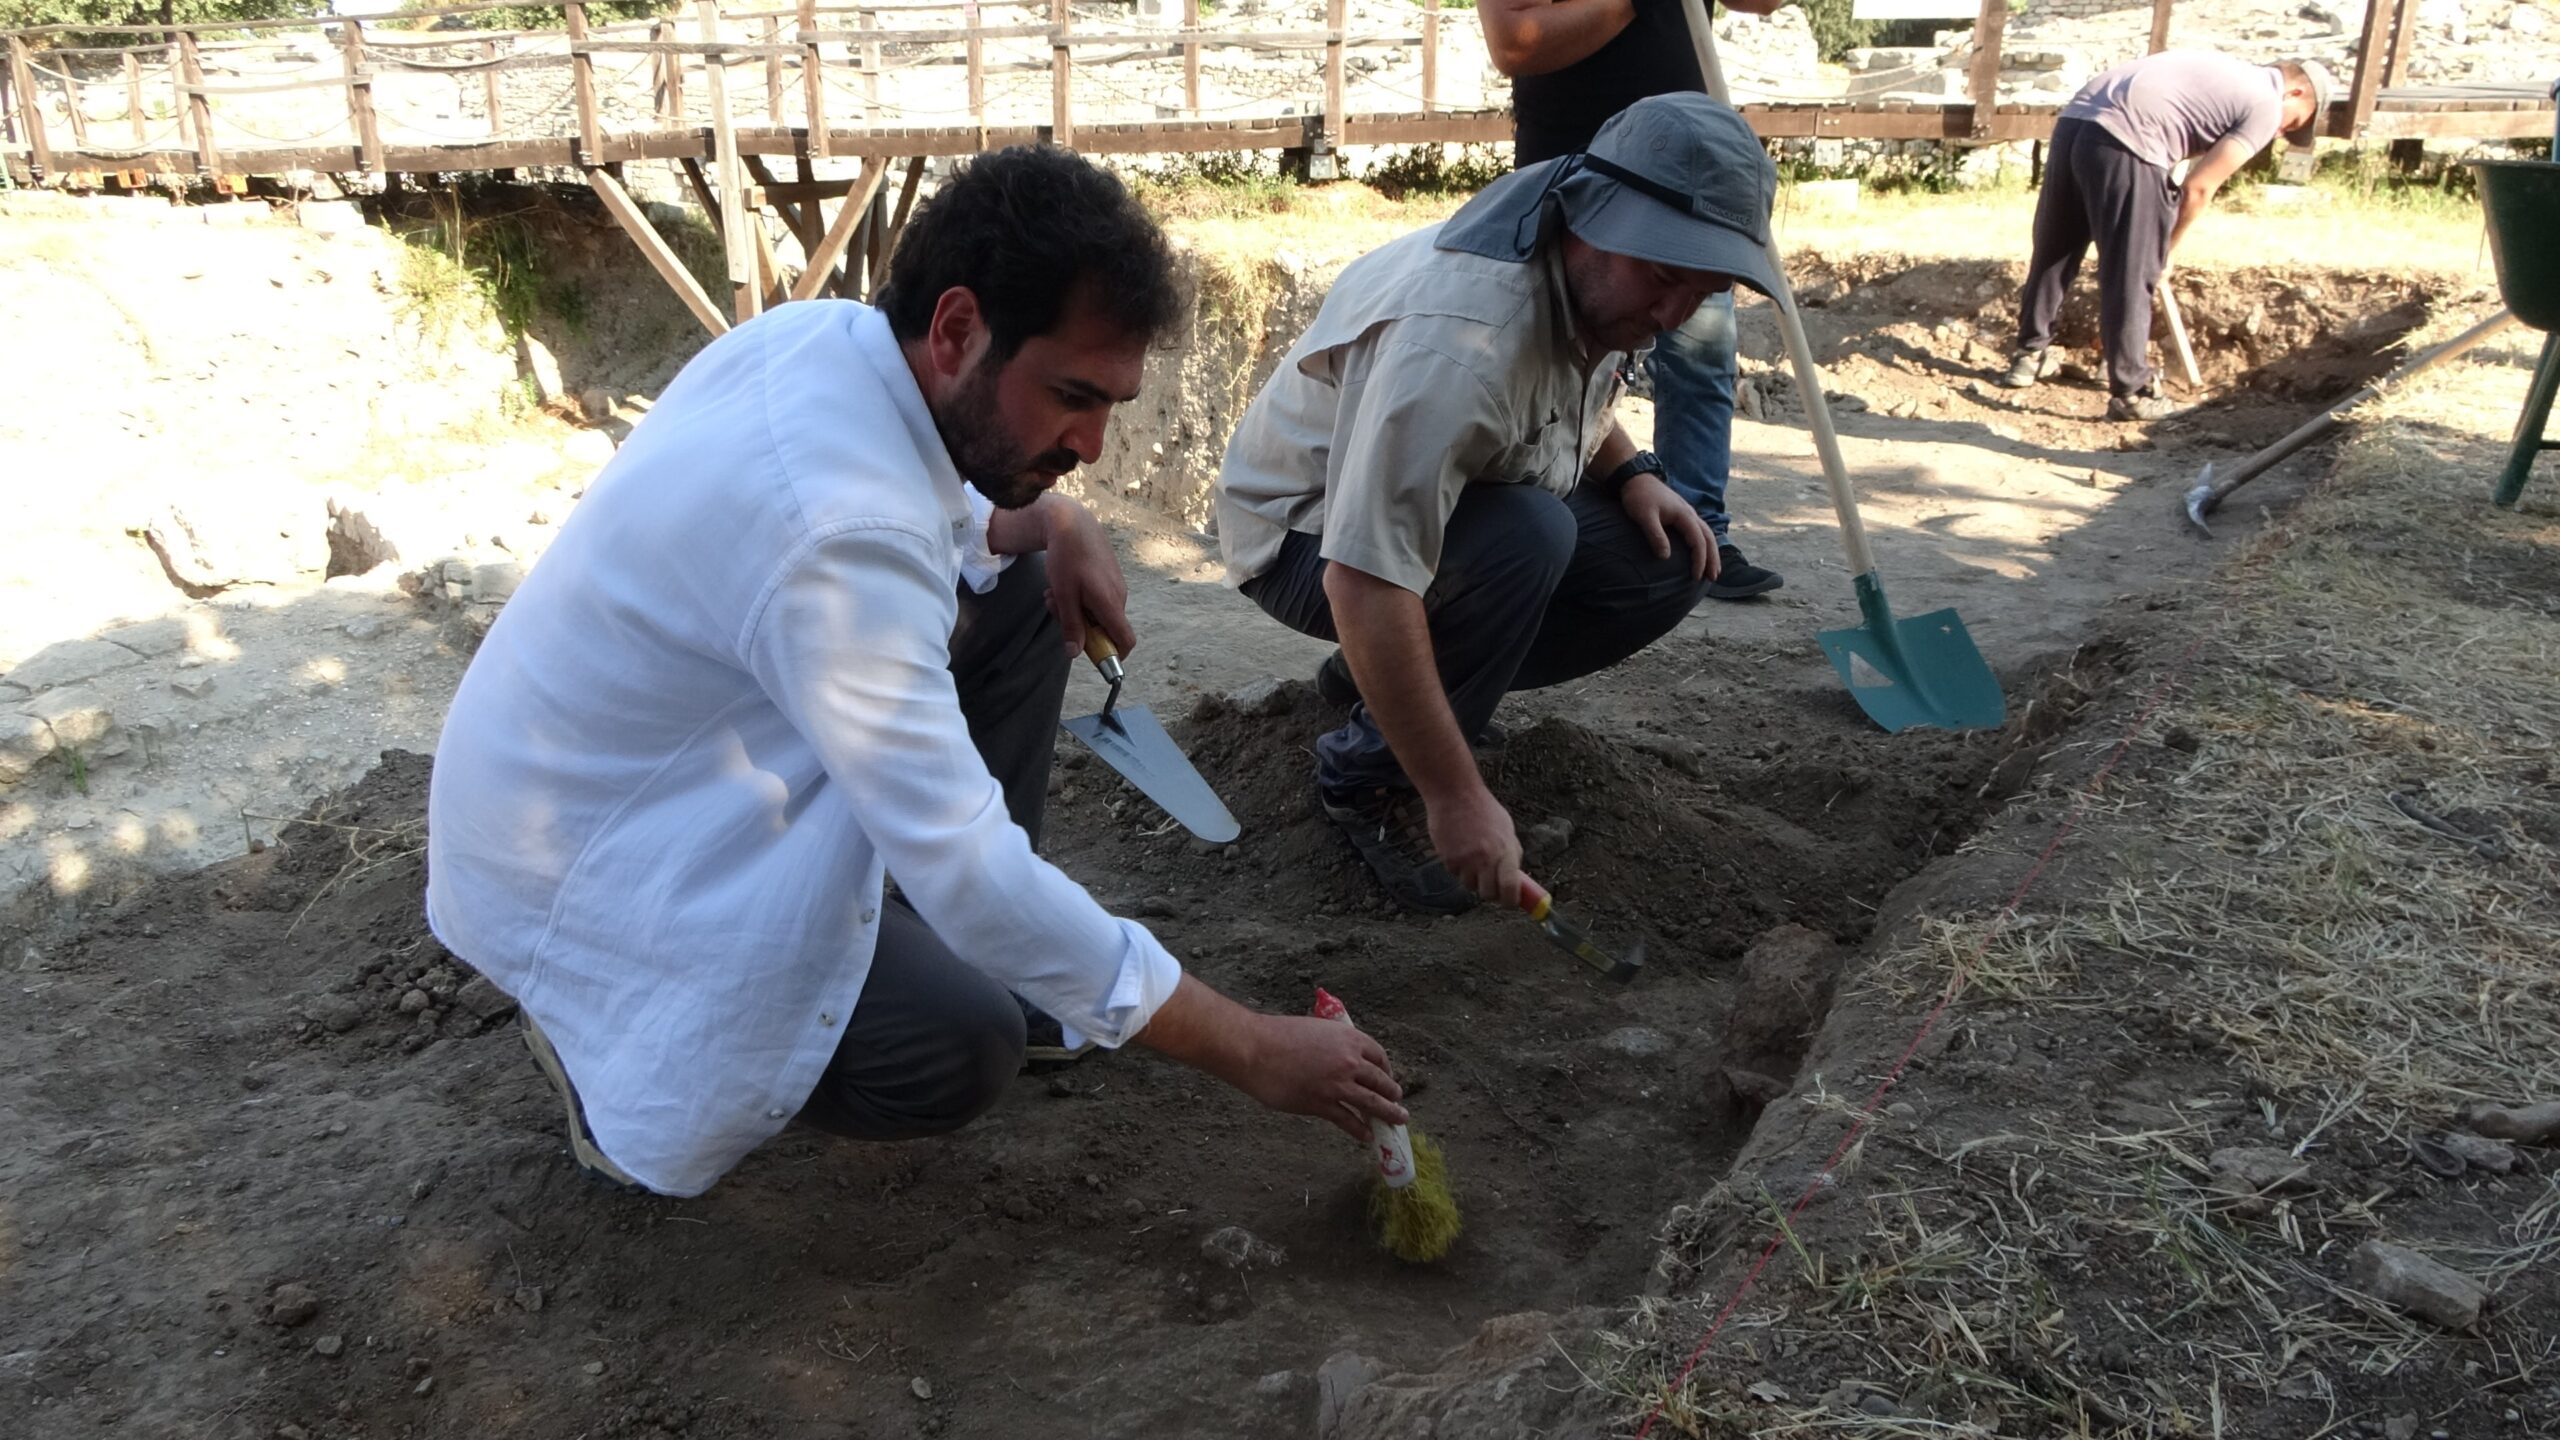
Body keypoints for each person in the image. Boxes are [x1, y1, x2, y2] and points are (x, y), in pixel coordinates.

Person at [424, 145, 1406, 1198]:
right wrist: (1252, 1049)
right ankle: (598, 1050)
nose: (1093, 442)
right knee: (955, 1045)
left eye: (1111, 404)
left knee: (1020, 591)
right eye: (1072, 396)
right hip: (582, 870)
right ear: (955, 331)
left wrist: (1055, 518)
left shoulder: (821, 339)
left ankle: (964, 948)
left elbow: (951, 517)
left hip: (610, 777)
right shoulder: (843, 535)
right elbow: (971, 869)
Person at [1215, 93, 1781, 916]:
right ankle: (1369, 778)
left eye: (1703, 290)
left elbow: (1561, 389)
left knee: (1665, 565)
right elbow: (1363, 580)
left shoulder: (1584, 264)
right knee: (1529, 536)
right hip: (1303, 536)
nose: (1671, 317)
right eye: (1663, 277)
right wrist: (1454, 794)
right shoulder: (1459, 345)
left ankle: (1386, 688)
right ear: (1594, 220)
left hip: (1432, 508)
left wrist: (1633, 473)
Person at [1478, 0, 1787, 600]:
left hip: (1689, 184)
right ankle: (1549, 544)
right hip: (1580, 182)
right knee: (1563, 366)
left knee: (1700, 359)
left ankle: (1700, 531)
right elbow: (1514, 41)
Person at [2000, 51, 2333, 420]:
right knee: (2132, 270)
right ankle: (2132, 392)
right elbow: (2198, 188)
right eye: (2293, 124)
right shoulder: (2266, 104)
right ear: (2297, 92)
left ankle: (2029, 354)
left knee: (2056, 250)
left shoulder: (2224, 72)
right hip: (2127, 138)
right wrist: (2166, 250)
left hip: (2076, 122)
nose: (2281, 132)